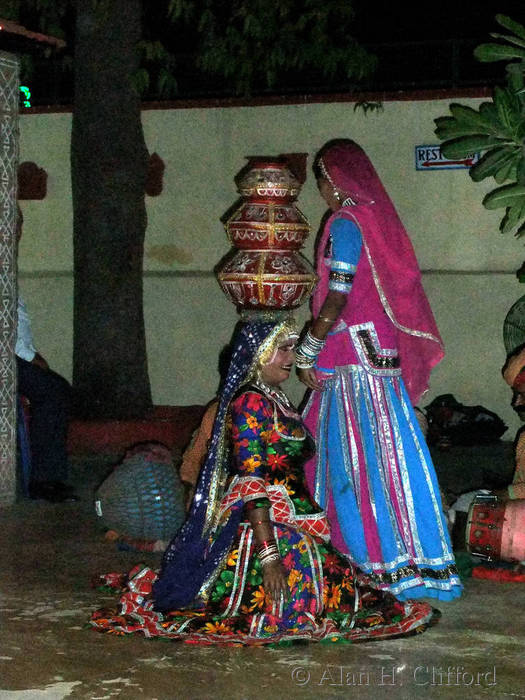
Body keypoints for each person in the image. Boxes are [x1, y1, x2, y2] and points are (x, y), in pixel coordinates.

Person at [91, 318, 437, 644]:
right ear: (258, 353)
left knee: (340, 584)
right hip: (266, 525)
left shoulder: (275, 398)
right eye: (281, 349)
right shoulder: (249, 402)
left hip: (294, 517)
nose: (290, 357)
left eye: (292, 348)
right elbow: (251, 479)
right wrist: (269, 556)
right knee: (300, 599)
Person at [295, 139, 462, 601]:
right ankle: (417, 561)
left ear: (334, 179)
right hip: (379, 359)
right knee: (391, 455)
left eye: (321, 180)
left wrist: (309, 349)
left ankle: (368, 561)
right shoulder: (376, 223)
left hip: (351, 360)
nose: (322, 190)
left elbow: (337, 297)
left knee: (352, 459)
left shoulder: (344, 223)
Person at [15, 206, 76, 503]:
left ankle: (47, 476)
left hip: (13, 355)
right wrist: (28, 356)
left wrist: (31, 353)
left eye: (19, 224)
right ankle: (44, 480)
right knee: (53, 391)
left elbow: (15, 321)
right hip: (8, 358)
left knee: (55, 387)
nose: (17, 231)